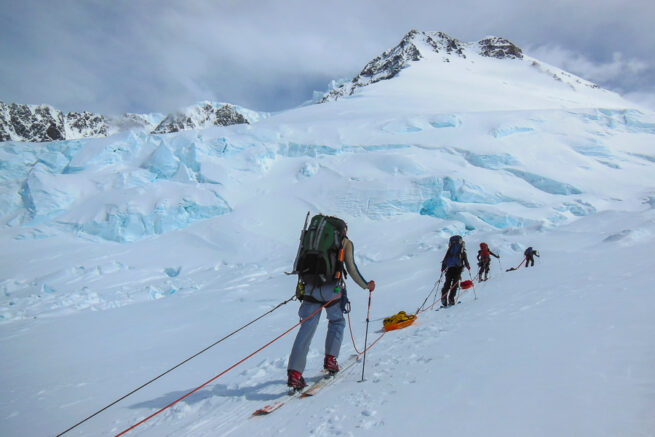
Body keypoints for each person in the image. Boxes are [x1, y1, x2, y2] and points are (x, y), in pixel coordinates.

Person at [287, 219, 375, 391]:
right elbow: (351, 268)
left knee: (306, 328)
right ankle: (330, 360)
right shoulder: (345, 242)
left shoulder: (310, 239)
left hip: (310, 288)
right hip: (331, 289)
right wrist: (366, 285)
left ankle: (295, 373)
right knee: (337, 321)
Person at [440, 235, 470, 307]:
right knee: (455, 285)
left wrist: (443, 268)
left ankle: (444, 297)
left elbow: (445, 259)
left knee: (447, 283)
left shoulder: (450, 250)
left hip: (450, 269)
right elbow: (465, 261)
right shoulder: (462, 251)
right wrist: (468, 266)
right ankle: (451, 299)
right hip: (458, 269)